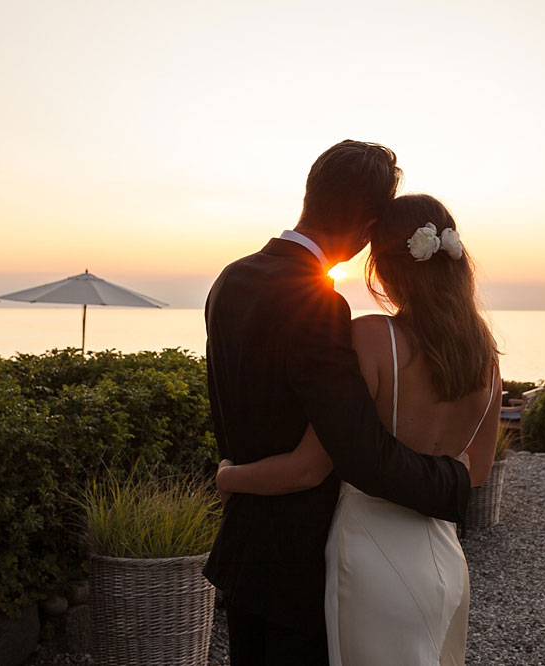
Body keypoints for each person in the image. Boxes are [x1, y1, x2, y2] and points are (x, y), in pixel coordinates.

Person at [202, 141, 473, 666]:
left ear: (311, 192)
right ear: (370, 226)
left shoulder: (228, 279)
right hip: (300, 566)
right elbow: (355, 456)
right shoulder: (318, 303)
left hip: (243, 549)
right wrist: (456, 483)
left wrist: (229, 476)